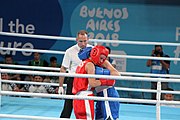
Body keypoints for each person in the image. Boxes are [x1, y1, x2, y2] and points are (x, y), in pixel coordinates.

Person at [72, 45, 120, 120]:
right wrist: (106, 81)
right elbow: (92, 83)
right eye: (101, 58)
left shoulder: (85, 62)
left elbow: (117, 74)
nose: (101, 61)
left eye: (103, 59)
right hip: (85, 96)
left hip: (77, 97)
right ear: (95, 54)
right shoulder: (90, 65)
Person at [58, 30, 93, 118]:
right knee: (68, 105)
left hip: (88, 80)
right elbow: (63, 69)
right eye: (81, 41)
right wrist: (60, 86)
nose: (83, 43)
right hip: (73, 80)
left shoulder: (93, 50)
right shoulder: (70, 51)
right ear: (76, 40)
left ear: (88, 39)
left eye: (85, 41)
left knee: (90, 103)